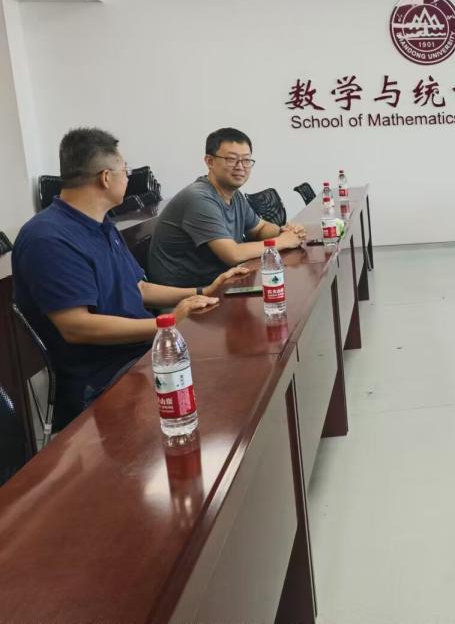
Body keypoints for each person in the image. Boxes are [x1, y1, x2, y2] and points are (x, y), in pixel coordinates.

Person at [12, 128, 246, 430]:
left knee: (231, 361)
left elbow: (138, 288)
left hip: (141, 352)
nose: (128, 177)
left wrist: (202, 291)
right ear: (105, 178)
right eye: (126, 171)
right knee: (223, 389)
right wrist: (167, 323)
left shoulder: (102, 224)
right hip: (103, 379)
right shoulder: (48, 239)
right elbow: (76, 327)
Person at [148, 128, 306, 287]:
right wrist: (282, 241)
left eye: (246, 160)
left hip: (219, 282)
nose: (240, 166)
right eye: (231, 159)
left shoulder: (234, 195)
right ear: (210, 161)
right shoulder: (198, 198)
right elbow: (233, 254)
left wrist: (284, 231)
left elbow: (259, 228)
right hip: (189, 293)